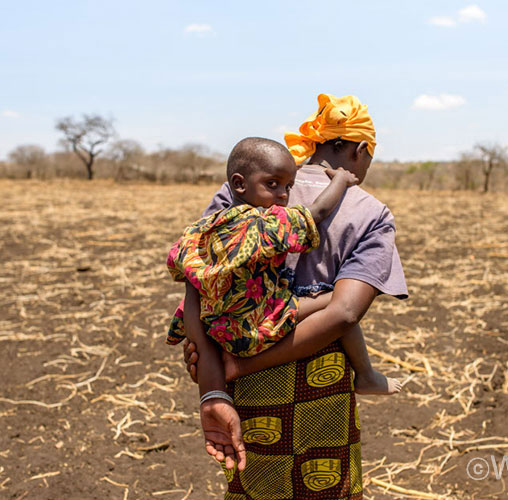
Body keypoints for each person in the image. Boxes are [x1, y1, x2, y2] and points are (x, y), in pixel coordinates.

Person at [183, 94, 408, 499]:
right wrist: (239, 366)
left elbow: (200, 280)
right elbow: (344, 314)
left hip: (241, 377)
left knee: (254, 485)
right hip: (320, 380)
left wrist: (213, 387)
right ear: (360, 149)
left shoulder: (244, 188)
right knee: (327, 484)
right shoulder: (371, 213)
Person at [167, 137, 401, 399]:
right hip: (257, 325)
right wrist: (340, 180)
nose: (283, 195)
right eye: (273, 184)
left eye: (288, 186)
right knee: (338, 302)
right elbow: (317, 212)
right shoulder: (267, 222)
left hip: (218, 331)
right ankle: (366, 375)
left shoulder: (201, 229)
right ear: (361, 150)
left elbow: (183, 273)